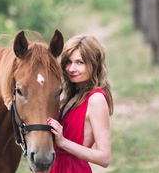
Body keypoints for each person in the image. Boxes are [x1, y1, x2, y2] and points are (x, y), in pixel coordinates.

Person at [48, 34, 114, 172]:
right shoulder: (72, 97)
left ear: (93, 65)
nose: (71, 69)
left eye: (80, 62)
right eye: (68, 62)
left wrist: (63, 142)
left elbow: (104, 158)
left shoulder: (96, 100)